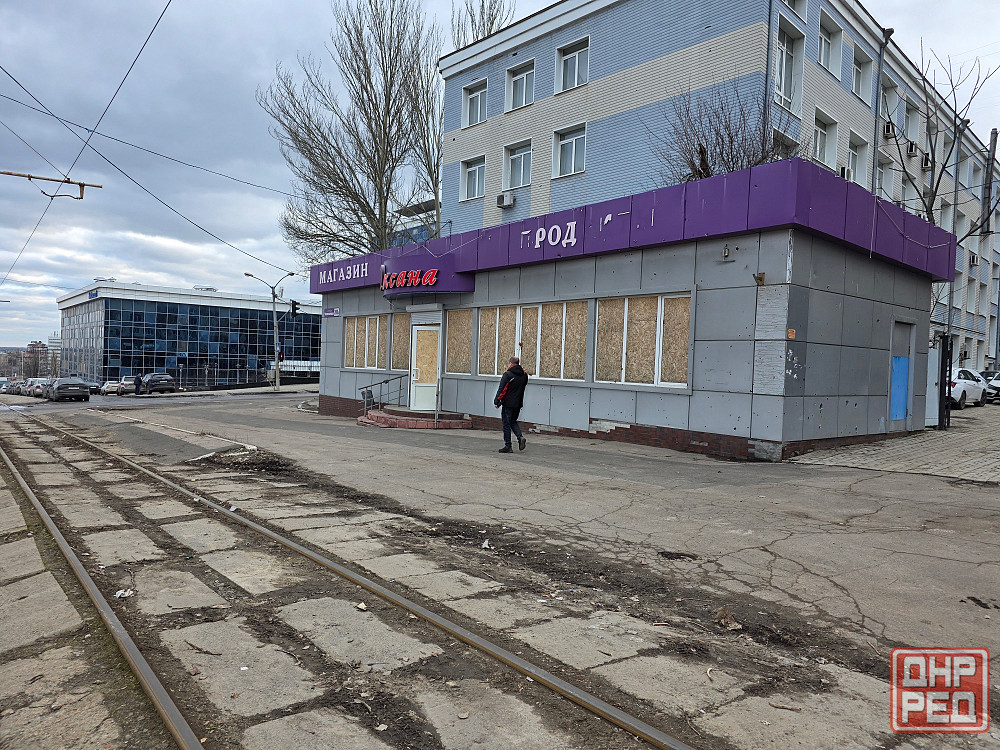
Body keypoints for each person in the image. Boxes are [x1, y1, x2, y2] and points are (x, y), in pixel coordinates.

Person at [494, 356, 528, 454]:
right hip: (518, 403)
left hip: (508, 404)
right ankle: (520, 437)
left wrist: (497, 401)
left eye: (509, 363)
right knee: (513, 421)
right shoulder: (524, 376)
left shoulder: (508, 375)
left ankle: (508, 446)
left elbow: (502, 389)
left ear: (511, 363)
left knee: (506, 424)